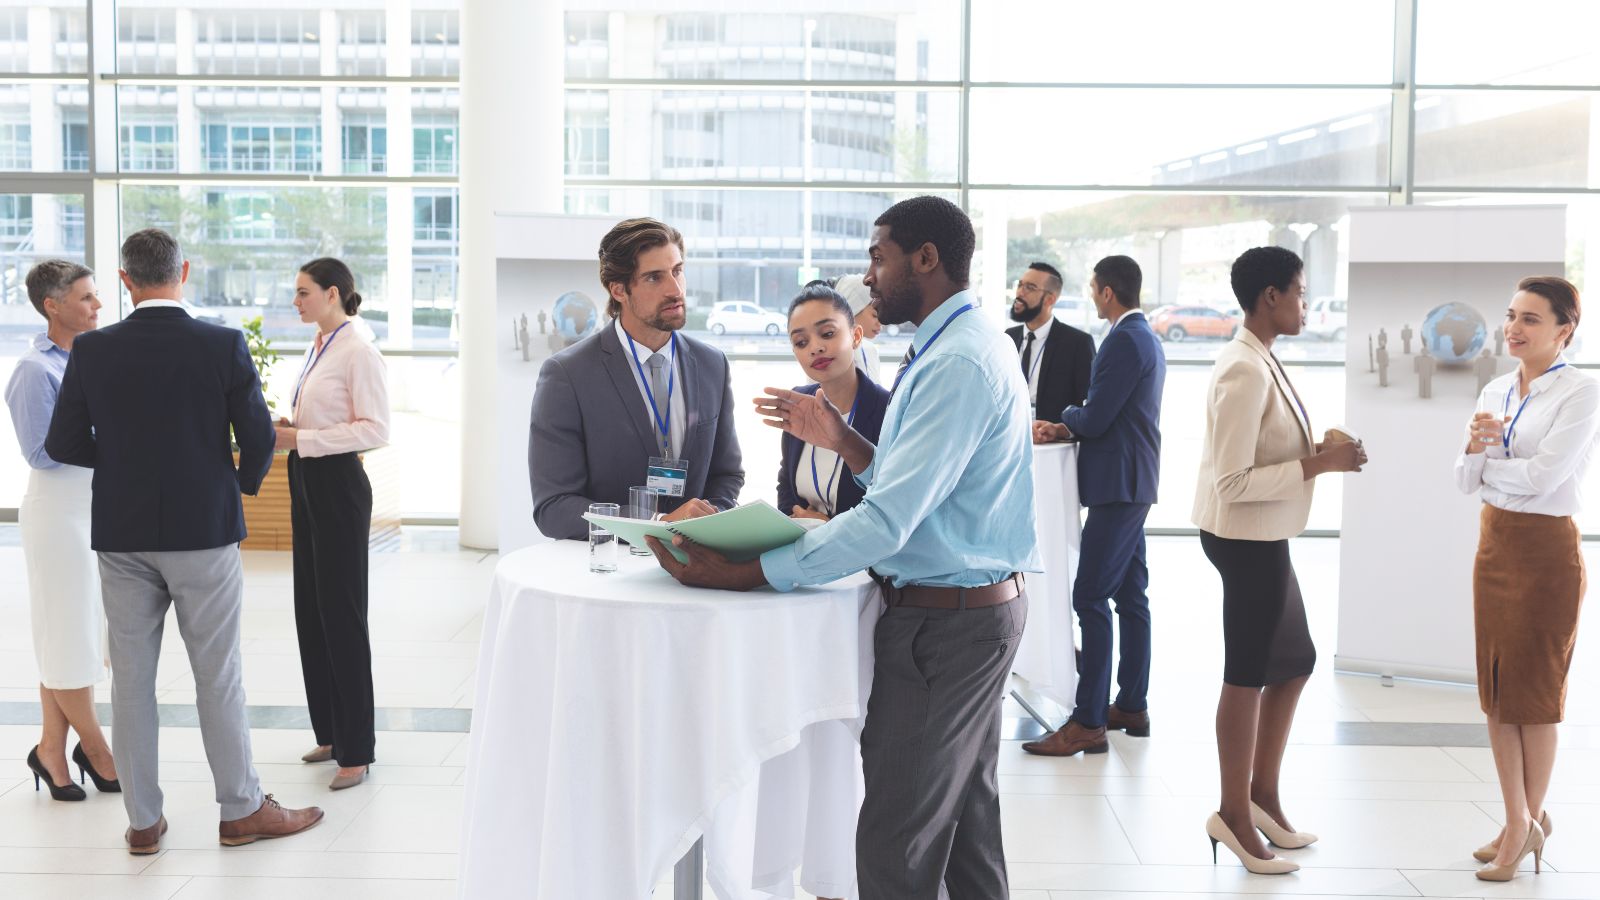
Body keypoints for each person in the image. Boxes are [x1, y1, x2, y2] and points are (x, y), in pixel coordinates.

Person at [647, 196, 1039, 898]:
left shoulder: (956, 362)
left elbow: (888, 522)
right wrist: (842, 439)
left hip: (946, 625)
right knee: (963, 830)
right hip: (971, 613)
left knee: (897, 839)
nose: (870, 274)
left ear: (926, 259)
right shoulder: (963, 342)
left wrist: (748, 573)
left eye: (878, 256)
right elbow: (919, 488)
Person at [45, 228, 323, 855]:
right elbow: (257, 438)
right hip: (204, 531)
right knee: (217, 676)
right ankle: (241, 810)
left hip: (122, 532)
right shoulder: (221, 344)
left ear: (125, 280)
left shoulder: (93, 351)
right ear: (185, 272)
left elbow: (62, 443)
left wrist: (120, 465)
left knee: (132, 682)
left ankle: (143, 821)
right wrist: (233, 482)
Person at [1191, 246, 1366, 875]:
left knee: (1296, 660)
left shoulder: (1262, 358)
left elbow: (1259, 455)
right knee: (1247, 672)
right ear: (1270, 296)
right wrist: (1320, 463)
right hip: (1244, 538)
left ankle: (1261, 795)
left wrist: (1318, 451)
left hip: (1264, 536)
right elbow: (1232, 482)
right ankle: (1232, 814)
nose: (1303, 302)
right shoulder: (1244, 368)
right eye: (1297, 291)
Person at [1455, 275, 1597, 883]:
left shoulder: (1581, 392)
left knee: (1534, 699)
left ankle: (1523, 824)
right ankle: (1519, 818)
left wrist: (1494, 467)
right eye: (1512, 315)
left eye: (1531, 319)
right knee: (1496, 691)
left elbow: (1544, 479)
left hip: (1544, 554)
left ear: (1565, 328)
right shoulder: (1493, 387)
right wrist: (1481, 460)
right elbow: (1465, 481)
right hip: (1494, 547)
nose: (1513, 327)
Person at [1024, 255, 1164, 757]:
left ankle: (1088, 721)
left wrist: (1062, 416)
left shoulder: (1125, 339)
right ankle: (1130, 703)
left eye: (1093, 288)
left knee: (1090, 597)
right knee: (1131, 597)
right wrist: (1072, 423)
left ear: (1106, 292)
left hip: (1117, 486)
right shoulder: (1143, 336)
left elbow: (1098, 416)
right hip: (1131, 482)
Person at [529, 217, 743, 539]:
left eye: (678, 271)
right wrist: (658, 523)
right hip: (610, 568)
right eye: (655, 278)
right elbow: (554, 507)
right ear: (619, 290)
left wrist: (707, 522)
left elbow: (726, 475)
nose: (675, 289)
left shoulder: (712, 364)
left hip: (697, 566)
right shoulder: (568, 375)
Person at [274, 258, 391, 791]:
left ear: (333, 293)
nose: (295, 301)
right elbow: (322, 417)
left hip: (337, 484)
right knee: (311, 607)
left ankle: (357, 749)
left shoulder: (358, 350)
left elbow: (374, 429)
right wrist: (293, 429)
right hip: (306, 479)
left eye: (303, 292)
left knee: (341, 613)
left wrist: (303, 440)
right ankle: (330, 731)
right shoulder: (319, 345)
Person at [4, 260, 118, 802]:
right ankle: (96, 749)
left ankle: (51, 749)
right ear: (53, 305)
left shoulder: (96, 358)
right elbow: (40, 452)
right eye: (87, 298)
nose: (98, 306)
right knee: (68, 634)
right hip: (58, 511)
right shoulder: (34, 370)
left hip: (94, 507)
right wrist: (113, 437)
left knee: (73, 636)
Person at [776, 283, 890, 523]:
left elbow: (891, 508)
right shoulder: (799, 402)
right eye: (801, 342)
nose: (815, 348)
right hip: (803, 553)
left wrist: (826, 528)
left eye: (827, 334)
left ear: (856, 336)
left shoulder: (887, 410)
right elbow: (786, 490)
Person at [1006, 261, 1095, 423]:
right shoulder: (1008, 338)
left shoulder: (1077, 343)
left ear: (1050, 300)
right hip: (1011, 437)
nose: (1020, 292)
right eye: (1020, 285)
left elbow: (1086, 403)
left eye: (1030, 287)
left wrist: (1059, 430)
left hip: (1053, 442)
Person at [834, 273, 882, 381]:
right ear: (852, 310)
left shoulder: (870, 350)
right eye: (874, 315)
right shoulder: (829, 355)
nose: (880, 322)